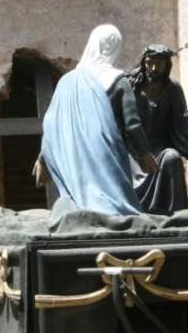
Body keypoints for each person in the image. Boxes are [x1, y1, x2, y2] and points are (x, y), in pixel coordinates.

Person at [38, 24, 140, 218]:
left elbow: (51, 124)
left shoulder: (67, 81)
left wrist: (43, 157)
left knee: (80, 196)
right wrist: (144, 155)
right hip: (106, 151)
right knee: (115, 203)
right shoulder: (118, 80)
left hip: (74, 154)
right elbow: (132, 124)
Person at [123, 44, 188, 215]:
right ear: (143, 62)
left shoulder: (172, 90)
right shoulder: (129, 86)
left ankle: (174, 218)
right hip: (133, 159)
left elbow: (181, 126)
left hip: (159, 154)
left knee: (172, 157)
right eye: (150, 63)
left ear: (167, 66)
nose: (154, 68)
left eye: (159, 64)